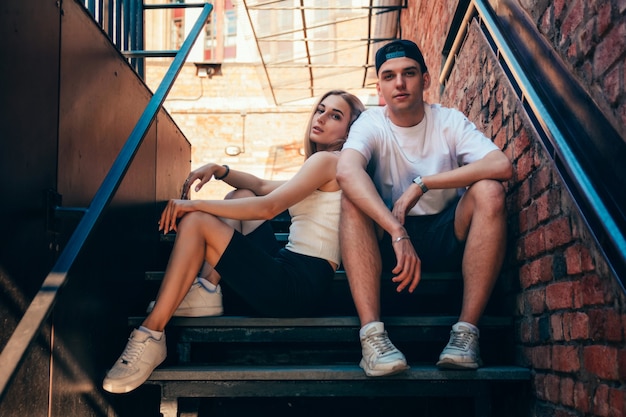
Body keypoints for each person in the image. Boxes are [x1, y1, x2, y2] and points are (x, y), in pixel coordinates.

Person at [102, 90, 365, 394]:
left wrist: (196, 206)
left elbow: (267, 208)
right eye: (320, 109)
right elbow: (262, 187)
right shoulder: (326, 165)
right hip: (293, 270)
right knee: (241, 196)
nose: (321, 118)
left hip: (298, 285)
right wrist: (220, 170)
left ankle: (150, 334)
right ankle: (206, 288)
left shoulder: (328, 161)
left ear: (349, 131)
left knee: (199, 221)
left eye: (335, 115)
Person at [336, 39, 513, 377]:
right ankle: (372, 338)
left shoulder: (447, 120)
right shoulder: (371, 123)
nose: (399, 83)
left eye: (409, 73)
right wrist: (396, 230)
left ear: (426, 80)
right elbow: (346, 170)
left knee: (490, 191)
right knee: (351, 197)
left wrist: (424, 183)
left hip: (446, 232)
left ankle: (466, 335)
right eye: (389, 76)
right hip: (388, 240)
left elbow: (501, 165)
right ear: (379, 86)